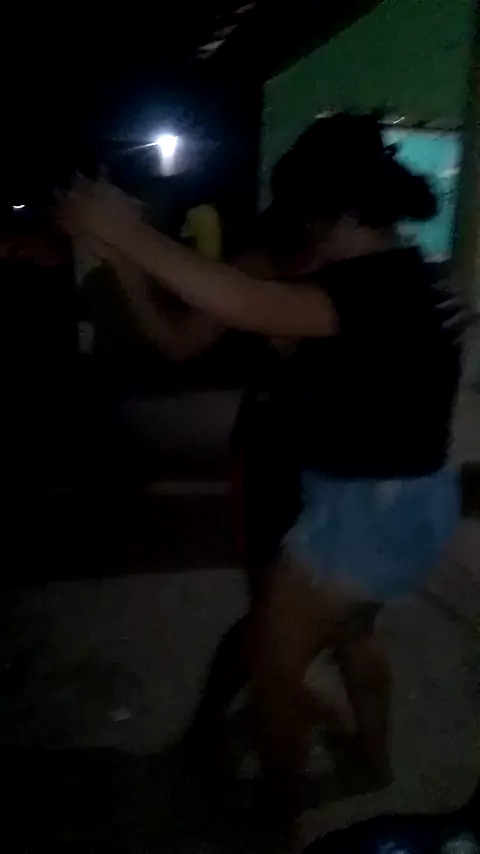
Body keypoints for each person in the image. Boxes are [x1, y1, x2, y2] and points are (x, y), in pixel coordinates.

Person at [60, 113, 461, 819]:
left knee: (277, 668)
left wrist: (126, 234)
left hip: (357, 501)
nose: (301, 230)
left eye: (309, 212)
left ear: (337, 210)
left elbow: (249, 304)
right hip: (377, 487)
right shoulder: (406, 274)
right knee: (338, 633)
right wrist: (124, 254)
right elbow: (207, 327)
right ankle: (367, 760)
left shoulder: (367, 282)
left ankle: (276, 810)